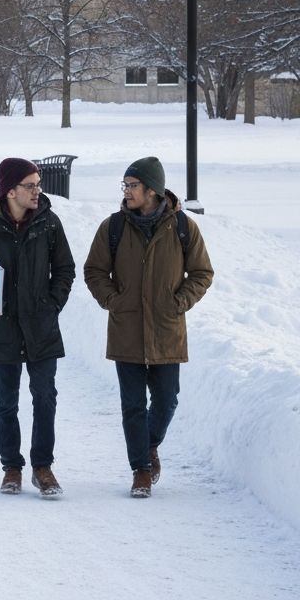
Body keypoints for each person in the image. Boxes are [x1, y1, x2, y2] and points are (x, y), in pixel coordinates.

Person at [83, 157, 214, 499]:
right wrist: (112, 300)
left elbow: (202, 273)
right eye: (125, 185)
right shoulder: (112, 228)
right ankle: (141, 470)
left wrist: (179, 302)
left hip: (166, 329)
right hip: (126, 328)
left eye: (132, 185)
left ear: (151, 190)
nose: (126, 191)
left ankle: (149, 444)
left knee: (167, 400)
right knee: (132, 405)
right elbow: (94, 270)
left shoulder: (183, 227)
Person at [0, 158, 75, 499]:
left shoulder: (49, 223)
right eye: (30, 185)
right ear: (10, 191)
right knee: (6, 401)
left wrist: (52, 304)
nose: (38, 191)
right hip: (1, 325)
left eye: (38, 184)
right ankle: (11, 467)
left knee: (45, 397)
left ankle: (42, 467)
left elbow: (65, 268)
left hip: (41, 325)